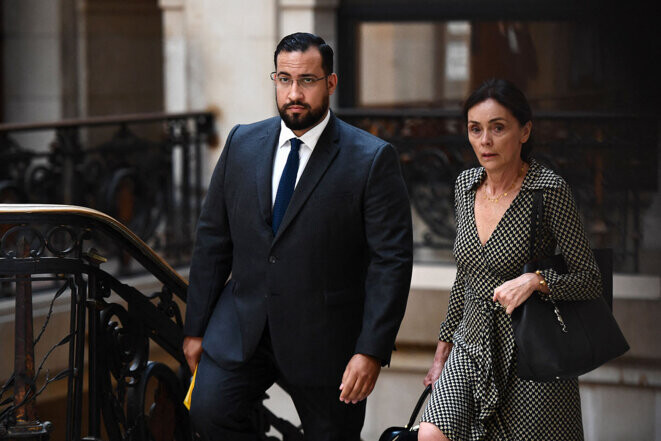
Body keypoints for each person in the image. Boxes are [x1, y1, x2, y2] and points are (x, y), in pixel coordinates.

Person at [183, 32, 413, 441]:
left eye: (307, 80)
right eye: (284, 79)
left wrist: (371, 350)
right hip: (242, 328)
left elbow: (390, 262)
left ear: (330, 83)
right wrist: (195, 328)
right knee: (209, 413)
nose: (294, 92)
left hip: (328, 342)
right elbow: (212, 239)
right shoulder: (241, 143)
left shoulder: (372, 159)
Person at [418, 78, 601, 441]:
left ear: (524, 131)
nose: (484, 141)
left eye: (497, 128)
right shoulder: (465, 185)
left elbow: (589, 278)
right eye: (475, 129)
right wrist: (442, 352)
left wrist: (536, 280)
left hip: (529, 350)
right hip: (470, 342)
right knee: (430, 434)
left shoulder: (548, 191)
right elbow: (465, 276)